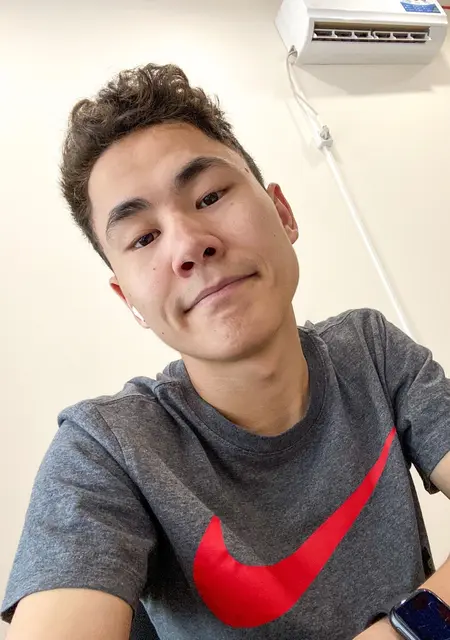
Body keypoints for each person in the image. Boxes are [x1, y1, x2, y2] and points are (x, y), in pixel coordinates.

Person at [1, 63, 450, 640]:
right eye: (143, 237)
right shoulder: (107, 451)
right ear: (129, 299)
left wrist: (408, 629)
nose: (189, 245)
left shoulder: (371, 352)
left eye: (209, 196)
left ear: (282, 213)